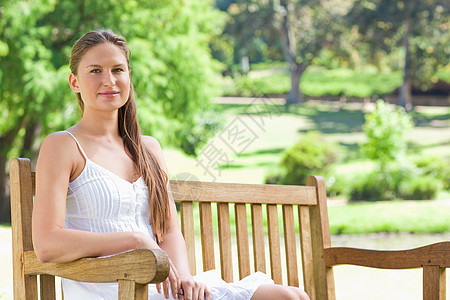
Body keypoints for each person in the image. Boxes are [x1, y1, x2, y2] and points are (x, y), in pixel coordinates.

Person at [32, 29, 310, 300]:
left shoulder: (148, 148)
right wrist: (136, 241)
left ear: (129, 76)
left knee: (290, 295)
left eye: (117, 70)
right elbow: (47, 244)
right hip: (110, 288)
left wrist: (185, 278)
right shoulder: (63, 145)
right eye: (95, 71)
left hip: (161, 285)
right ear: (74, 82)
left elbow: (168, 230)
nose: (109, 80)